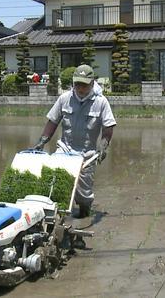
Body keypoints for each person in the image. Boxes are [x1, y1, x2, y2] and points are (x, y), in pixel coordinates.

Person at [32, 64, 116, 218]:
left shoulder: (101, 102)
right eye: (77, 84)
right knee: (55, 182)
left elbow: (108, 127)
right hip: (65, 149)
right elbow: (53, 121)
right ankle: (56, 218)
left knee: (84, 195)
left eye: (84, 85)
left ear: (92, 83)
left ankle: (84, 214)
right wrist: (42, 141)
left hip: (87, 154)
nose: (80, 88)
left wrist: (104, 145)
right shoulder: (65, 99)